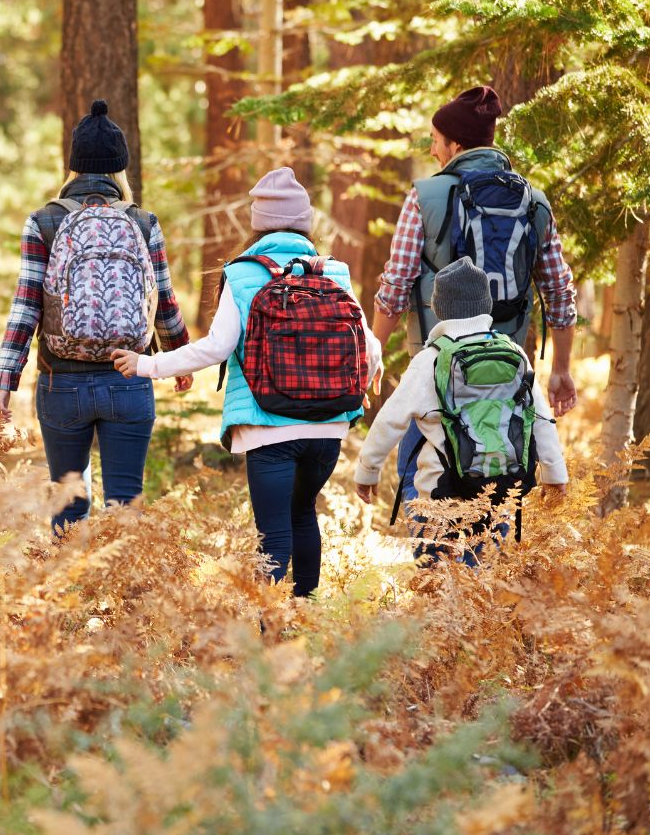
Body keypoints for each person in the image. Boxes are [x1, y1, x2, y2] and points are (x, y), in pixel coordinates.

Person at [113, 167, 381, 597]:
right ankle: (306, 617)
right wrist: (375, 368)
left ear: (259, 223)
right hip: (330, 426)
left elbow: (216, 348)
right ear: (304, 222)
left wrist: (147, 365)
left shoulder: (242, 274)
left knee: (272, 533)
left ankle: (271, 634)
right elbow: (366, 343)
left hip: (266, 424)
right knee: (303, 515)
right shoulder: (335, 272)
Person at [369, 86, 579, 520]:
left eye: (435, 139)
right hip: (507, 372)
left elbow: (396, 284)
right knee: (500, 484)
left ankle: (439, 574)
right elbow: (559, 291)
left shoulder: (424, 197)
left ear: (456, 144)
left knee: (426, 473)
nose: (431, 148)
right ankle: (485, 577)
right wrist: (561, 368)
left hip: (438, 370)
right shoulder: (533, 202)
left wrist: (373, 351)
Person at [0, 99, 192, 534]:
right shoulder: (142, 222)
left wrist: (4, 381)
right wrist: (180, 358)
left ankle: (71, 597)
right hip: (129, 377)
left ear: (73, 167)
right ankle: (122, 598)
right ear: (121, 168)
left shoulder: (44, 221)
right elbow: (164, 300)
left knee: (67, 502)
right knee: (125, 504)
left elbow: (26, 308)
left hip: (61, 382)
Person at [354, 258, 568, 564]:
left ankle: (441, 605)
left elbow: (389, 422)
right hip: (499, 489)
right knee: (481, 576)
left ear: (438, 308)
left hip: (441, 493)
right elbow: (541, 419)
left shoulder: (429, 359)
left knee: (438, 574)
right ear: (487, 305)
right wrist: (554, 473)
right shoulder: (513, 352)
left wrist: (368, 471)